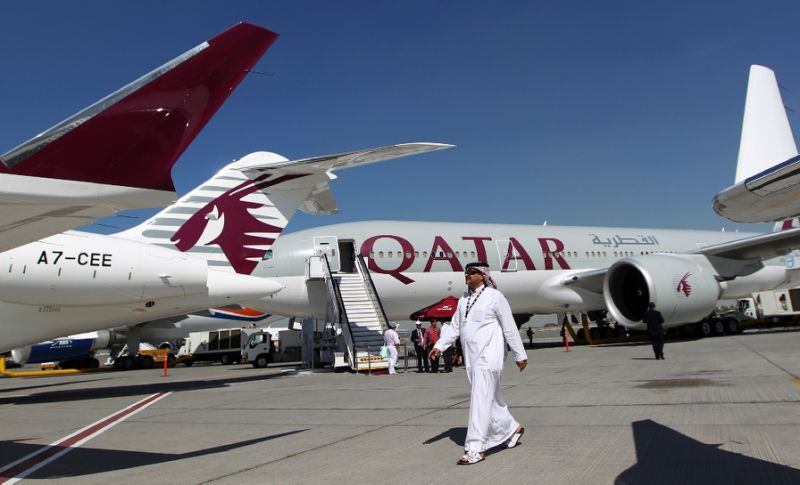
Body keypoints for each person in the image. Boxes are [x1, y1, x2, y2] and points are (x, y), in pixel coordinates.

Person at [430, 262, 527, 465]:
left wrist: (519, 354)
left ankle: (476, 448)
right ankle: (511, 428)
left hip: (489, 356)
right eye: (466, 272)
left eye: (472, 272)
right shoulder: (464, 300)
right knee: (489, 398)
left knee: (480, 399)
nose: (467, 274)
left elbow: (509, 326)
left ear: (482, 275)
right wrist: (440, 346)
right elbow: (455, 327)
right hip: (471, 358)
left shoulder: (495, 297)